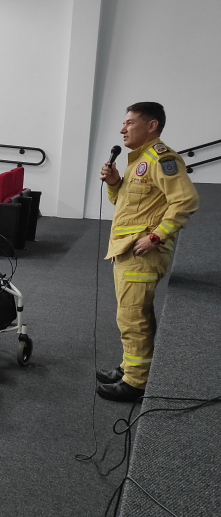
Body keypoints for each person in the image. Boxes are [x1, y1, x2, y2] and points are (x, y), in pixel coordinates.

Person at [96, 102, 199, 402]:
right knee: (131, 315)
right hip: (126, 249)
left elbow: (186, 201)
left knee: (133, 317)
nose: (122, 128)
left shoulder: (161, 158)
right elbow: (129, 206)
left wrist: (156, 237)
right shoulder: (138, 160)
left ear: (151, 125)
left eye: (129, 122)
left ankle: (136, 382)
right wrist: (115, 183)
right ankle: (132, 367)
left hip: (142, 253)